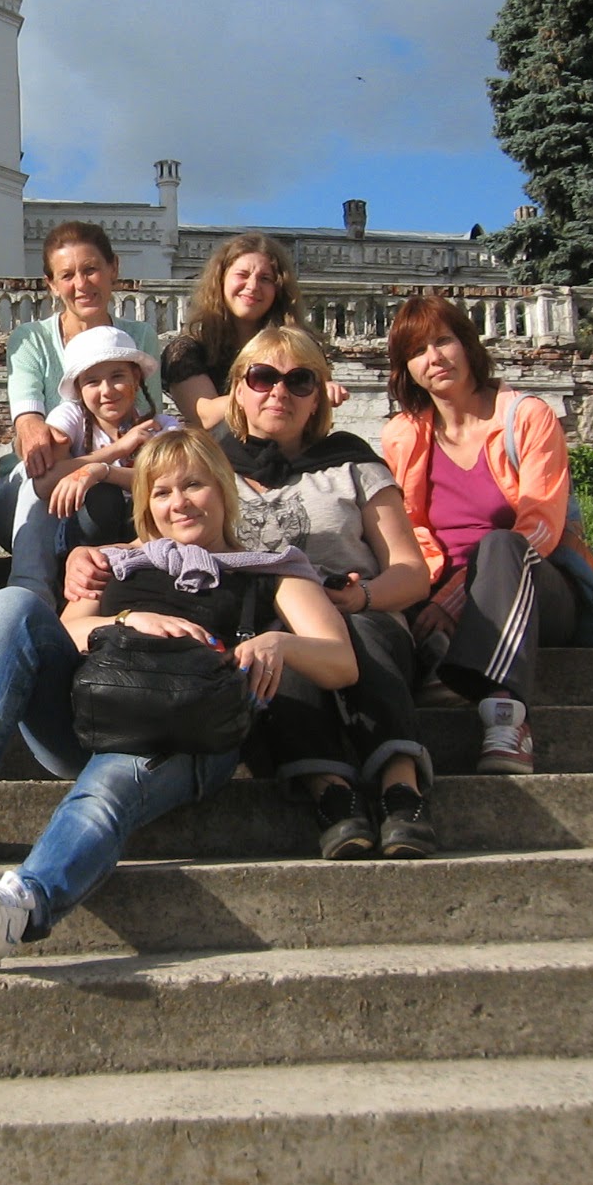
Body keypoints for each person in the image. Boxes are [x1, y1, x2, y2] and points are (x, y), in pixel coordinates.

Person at [0, 428, 354, 971]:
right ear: (146, 502)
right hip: (96, 713)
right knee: (11, 605)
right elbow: (65, 632)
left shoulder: (271, 568)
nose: (179, 503)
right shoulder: (114, 561)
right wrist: (128, 620)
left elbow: (341, 660)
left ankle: (22, 903)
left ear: (224, 488)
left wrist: (280, 643)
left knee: (112, 782)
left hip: (189, 736)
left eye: (194, 485)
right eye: (162, 491)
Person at [215, 326, 438, 858]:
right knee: (280, 644)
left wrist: (363, 597)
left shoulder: (353, 462)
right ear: (238, 389)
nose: (279, 392)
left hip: (361, 612)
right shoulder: (210, 467)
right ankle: (331, 793)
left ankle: (400, 787)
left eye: (300, 381)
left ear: (317, 397)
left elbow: (411, 570)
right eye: (263, 377)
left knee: (360, 631)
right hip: (265, 621)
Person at [380, 294, 578, 776]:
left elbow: (541, 526)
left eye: (443, 341)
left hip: (530, 587)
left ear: (467, 345)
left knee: (501, 543)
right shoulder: (402, 435)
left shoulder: (525, 417)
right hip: (434, 593)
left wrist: (456, 599)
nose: (434, 358)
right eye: (417, 351)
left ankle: (507, 718)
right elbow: (402, 530)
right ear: (407, 370)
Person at [0, 221, 165, 602]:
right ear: (52, 284)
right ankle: (30, 590)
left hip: (109, 488)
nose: (81, 284)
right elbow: (31, 432)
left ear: (113, 269)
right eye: (67, 275)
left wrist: (100, 469)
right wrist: (77, 454)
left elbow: (144, 424)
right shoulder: (32, 339)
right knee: (41, 461)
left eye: (90, 269)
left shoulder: (140, 338)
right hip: (35, 492)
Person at [163, 232, 347, 428]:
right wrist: (285, 393)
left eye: (265, 279)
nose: (252, 286)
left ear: (278, 289)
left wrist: (321, 390)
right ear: (221, 280)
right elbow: (206, 415)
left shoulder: (302, 346)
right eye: (242, 275)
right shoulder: (187, 350)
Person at [31, 324, 177, 556]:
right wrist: (118, 449)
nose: (107, 391)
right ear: (79, 388)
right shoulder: (70, 417)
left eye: (117, 377)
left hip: (144, 535)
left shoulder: (164, 427)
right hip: (84, 533)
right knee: (103, 496)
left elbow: (169, 484)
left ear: (136, 378)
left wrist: (101, 471)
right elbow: (44, 483)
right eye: (92, 382)